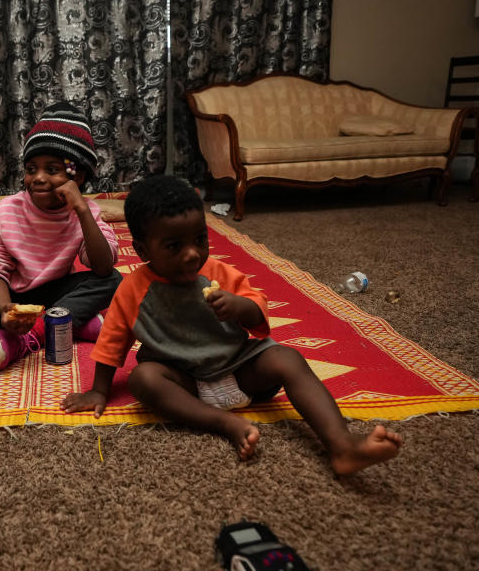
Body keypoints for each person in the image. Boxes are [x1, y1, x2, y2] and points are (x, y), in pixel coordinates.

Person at [61, 175, 402, 475]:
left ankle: (342, 446)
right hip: (183, 384)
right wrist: (99, 390)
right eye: (174, 246)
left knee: (288, 358)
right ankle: (225, 423)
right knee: (143, 379)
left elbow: (258, 314)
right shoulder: (132, 289)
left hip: (241, 370)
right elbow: (111, 343)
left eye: (199, 239)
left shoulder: (220, 273)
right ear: (141, 249)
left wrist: (241, 307)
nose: (193, 254)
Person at [0, 102, 122, 370]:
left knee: (112, 280)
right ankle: (68, 323)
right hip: (9, 293)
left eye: (52, 170)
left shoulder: (85, 213)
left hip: (54, 290)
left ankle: (31, 334)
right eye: (31, 169)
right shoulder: (5, 212)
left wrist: (83, 211)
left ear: (78, 174)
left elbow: (103, 266)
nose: (38, 178)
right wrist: (6, 310)